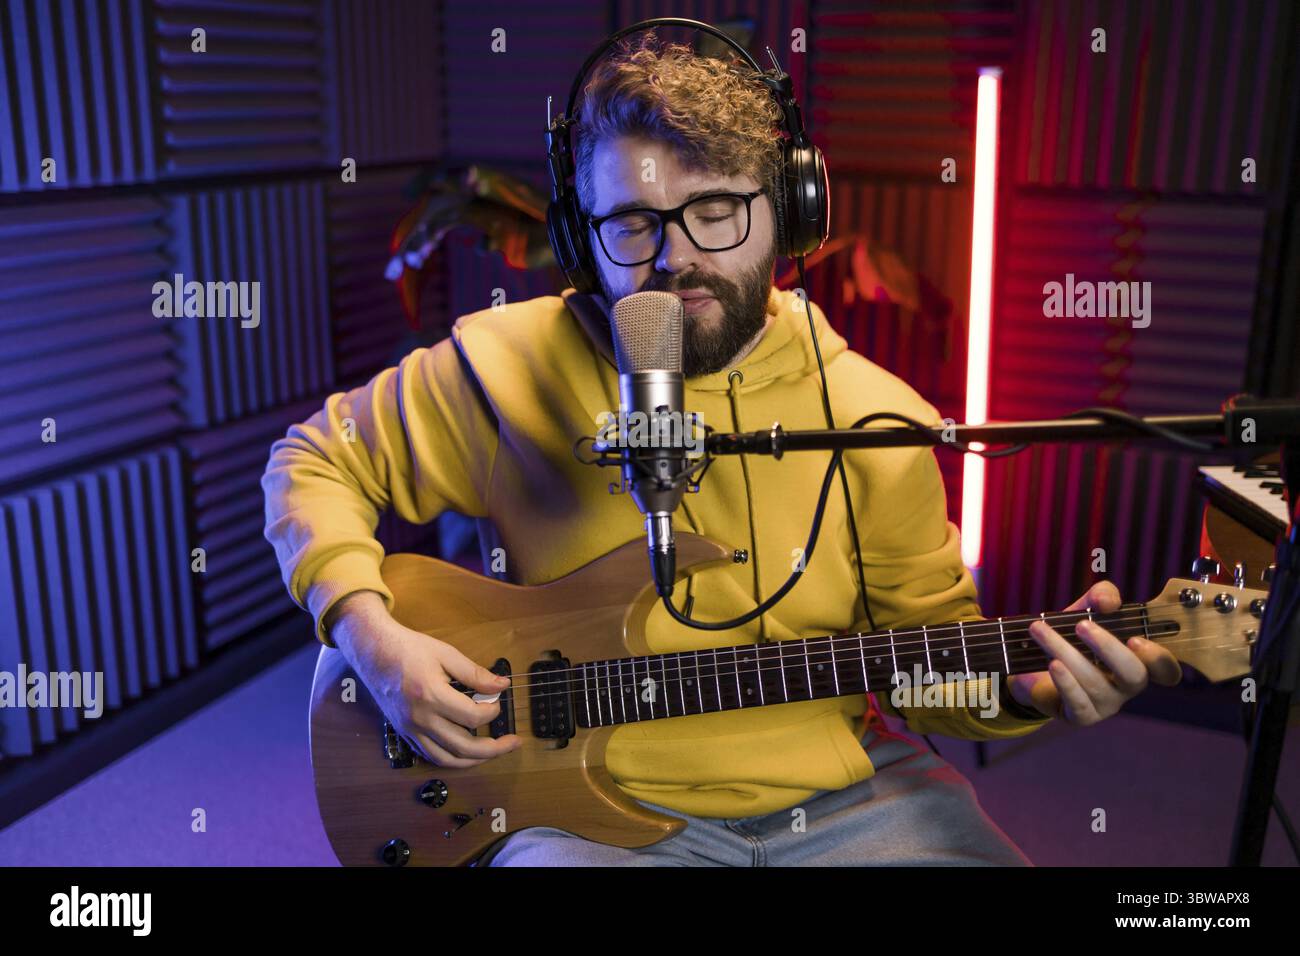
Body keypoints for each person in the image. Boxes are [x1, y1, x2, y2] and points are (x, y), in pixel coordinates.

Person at [262, 36, 1181, 866]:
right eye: (632, 222)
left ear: (788, 214)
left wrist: (1029, 689)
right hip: (573, 817)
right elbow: (310, 462)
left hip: (843, 803)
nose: (674, 258)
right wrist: (371, 637)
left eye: (716, 211)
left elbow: (926, 673)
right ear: (582, 236)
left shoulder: (875, 420)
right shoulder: (508, 368)